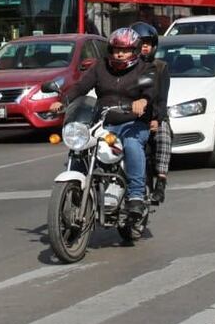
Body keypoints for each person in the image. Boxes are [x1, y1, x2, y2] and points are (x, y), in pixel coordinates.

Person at [50, 28, 154, 218]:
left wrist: (143, 101)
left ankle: (136, 195)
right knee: (82, 147)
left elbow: (150, 89)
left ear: (135, 50)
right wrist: (63, 102)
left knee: (131, 145)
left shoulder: (143, 68)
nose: (120, 54)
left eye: (126, 50)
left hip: (131, 123)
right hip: (103, 123)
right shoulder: (100, 67)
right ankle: (77, 187)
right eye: (116, 50)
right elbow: (81, 87)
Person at [131, 21, 171, 206]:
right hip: (129, 118)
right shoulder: (124, 66)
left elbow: (162, 98)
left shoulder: (161, 67)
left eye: (148, 43)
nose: (144, 46)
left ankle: (161, 183)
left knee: (164, 135)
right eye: (141, 42)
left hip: (154, 116)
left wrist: (158, 119)